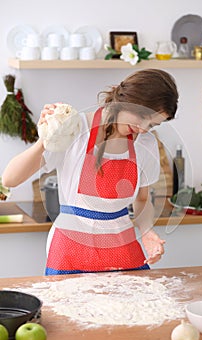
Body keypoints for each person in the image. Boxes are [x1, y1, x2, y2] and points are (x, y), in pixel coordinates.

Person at [2, 69, 179, 275]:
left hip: (122, 244)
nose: (143, 128)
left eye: (153, 124)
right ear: (125, 99)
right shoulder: (75, 128)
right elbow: (10, 179)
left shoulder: (146, 143)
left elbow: (142, 199)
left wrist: (147, 231)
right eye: (142, 117)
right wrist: (46, 138)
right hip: (70, 247)